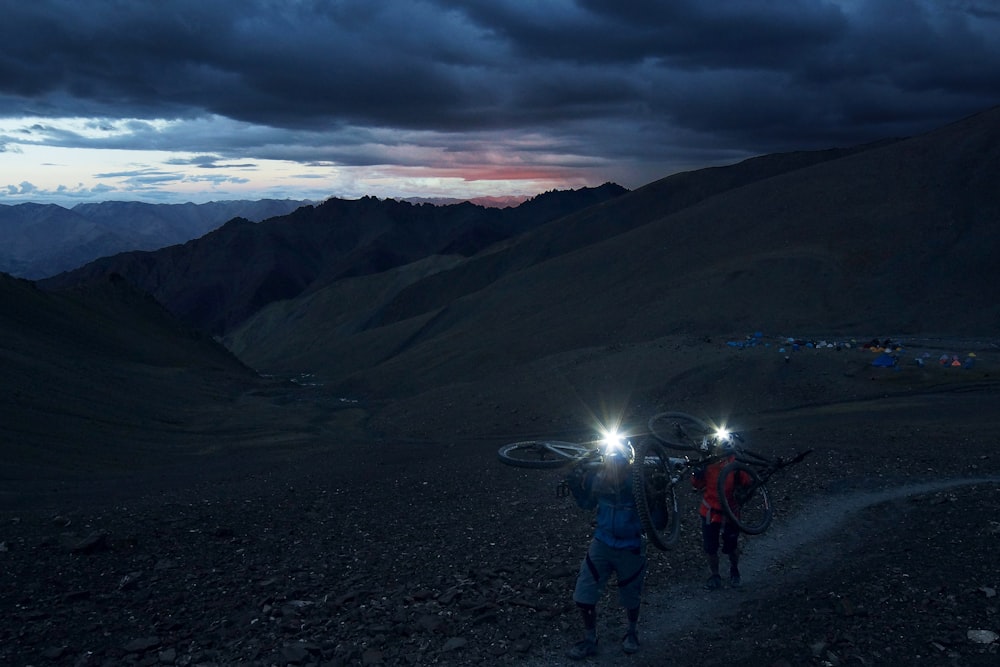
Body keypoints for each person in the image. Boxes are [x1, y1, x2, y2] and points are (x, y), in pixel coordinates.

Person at [563, 437, 646, 659]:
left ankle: (631, 632)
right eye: (610, 462)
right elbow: (587, 504)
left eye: (618, 462)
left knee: (631, 596)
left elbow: (658, 521)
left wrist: (657, 496)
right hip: (602, 543)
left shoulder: (639, 483)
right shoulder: (597, 478)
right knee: (584, 594)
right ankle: (590, 639)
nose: (613, 467)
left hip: (631, 545)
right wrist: (574, 484)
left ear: (627, 462)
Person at [691, 433, 749, 590]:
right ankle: (715, 575)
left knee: (731, 546)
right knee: (710, 548)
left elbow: (748, 483)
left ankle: (734, 570)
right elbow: (696, 484)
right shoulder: (708, 464)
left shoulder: (735, 465)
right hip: (710, 513)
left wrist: (743, 494)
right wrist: (697, 471)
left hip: (730, 514)